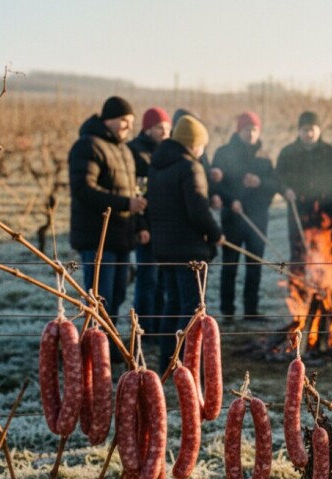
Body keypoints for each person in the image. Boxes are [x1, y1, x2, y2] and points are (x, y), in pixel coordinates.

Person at [146, 115, 225, 372]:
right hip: (189, 250)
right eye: (201, 145)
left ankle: (168, 360)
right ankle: (189, 364)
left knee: (172, 304)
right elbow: (198, 210)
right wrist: (216, 234)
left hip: (165, 248)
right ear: (193, 144)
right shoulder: (190, 167)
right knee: (191, 307)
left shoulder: (158, 165)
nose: (203, 150)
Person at [68, 96, 145, 321]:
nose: (129, 126)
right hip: (97, 237)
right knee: (100, 298)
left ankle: (108, 348)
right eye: (124, 120)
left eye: (131, 121)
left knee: (118, 295)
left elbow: (130, 192)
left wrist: (138, 224)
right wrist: (125, 204)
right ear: (109, 119)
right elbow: (83, 189)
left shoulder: (123, 151)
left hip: (121, 235)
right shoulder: (88, 145)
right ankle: (94, 348)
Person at [211, 111, 278, 322]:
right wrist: (231, 201)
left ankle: (251, 309)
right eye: (247, 129)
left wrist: (260, 182)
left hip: (258, 217)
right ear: (239, 130)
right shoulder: (223, 153)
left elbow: (274, 184)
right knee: (229, 266)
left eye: (255, 129)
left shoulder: (265, 156)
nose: (251, 133)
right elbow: (216, 183)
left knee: (254, 266)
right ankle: (227, 311)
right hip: (233, 217)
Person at [276, 111, 332, 272]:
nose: (309, 134)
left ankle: (324, 294)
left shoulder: (330, 153)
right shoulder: (287, 153)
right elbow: (277, 178)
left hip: (325, 212)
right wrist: (285, 190)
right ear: (299, 131)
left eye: (313, 129)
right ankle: (298, 294)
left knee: (325, 255)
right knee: (299, 255)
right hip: (298, 210)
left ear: (319, 130)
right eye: (305, 130)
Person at [128, 107, 171, 334]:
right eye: (158, 127)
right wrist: (141, 225)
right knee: (147, 278)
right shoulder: (135, 151)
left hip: (164, 225)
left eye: (166, 127)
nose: (164, 132)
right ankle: (143, 327)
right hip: (146, 224)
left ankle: (158, 327)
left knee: (163, 279)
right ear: (147, 128)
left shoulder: (168, 150)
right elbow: (136, 192)